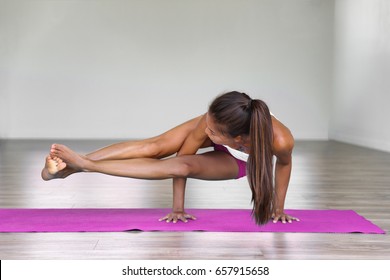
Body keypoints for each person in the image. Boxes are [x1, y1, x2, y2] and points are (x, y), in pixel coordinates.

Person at [42, 91, 298, 225]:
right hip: (228, 134)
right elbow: (182, 154)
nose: (206, 131)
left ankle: (86, 165)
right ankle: (70, 167)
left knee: (181, 166)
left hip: (237, 160)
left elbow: (284, 164)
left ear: (237, 138)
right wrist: (178, 207)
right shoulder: (211, 122)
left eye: (212, 132)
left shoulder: (280, 140)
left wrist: (278, 208)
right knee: (154, 147)